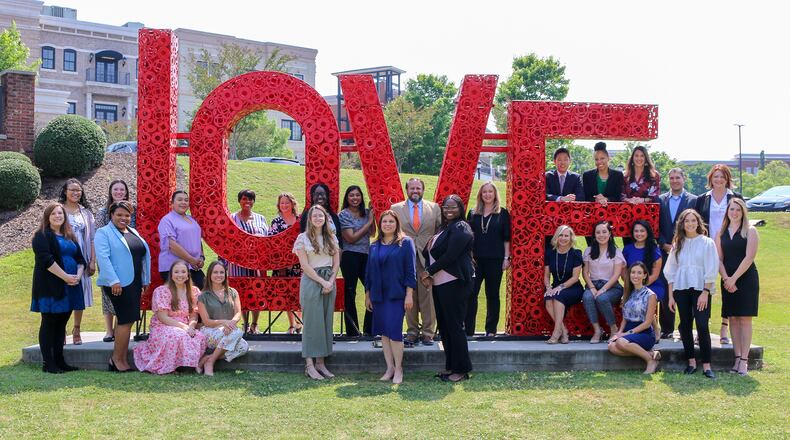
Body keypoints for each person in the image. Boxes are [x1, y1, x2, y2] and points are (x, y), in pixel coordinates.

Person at [421, 194, 474, 382]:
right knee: (445, 327)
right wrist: (431, 273)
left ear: (460, 208)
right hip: (441, 283)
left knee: (455, 326)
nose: (449, 210)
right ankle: (451, 366)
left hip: (455, 282)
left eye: (453, 207)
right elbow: (429, 252)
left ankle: (462, 370)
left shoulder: (462, 227)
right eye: (445, 207)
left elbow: (451, 255)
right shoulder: (444, 228)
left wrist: (428, 271)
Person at [95, 201, 151, 372]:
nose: (123, 218)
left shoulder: (132, 231)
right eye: (119, 214)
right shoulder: (103, 233)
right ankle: (116, 359)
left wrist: (145, 279)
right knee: (126, 320)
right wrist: (113, 281)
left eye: (127, 215)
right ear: (111, 215)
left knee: (128, 320)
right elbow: (103, 259)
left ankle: (120, 358)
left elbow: (142, 256)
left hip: (134, 283)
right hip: (118, 284)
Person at [664, 209, 719, 379]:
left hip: (700, 289)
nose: (690, 224)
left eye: (693, 220)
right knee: (685, 325)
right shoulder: (678, 243)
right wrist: (671, 296)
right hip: (681, 289)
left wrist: (705, 292)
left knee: (702, 325)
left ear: (698, 222)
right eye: (686, 221)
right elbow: (671, 271)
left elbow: (711, 268)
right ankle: (691, 362)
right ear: (682, 224)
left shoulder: (707, 243)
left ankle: (707, 365)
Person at [31, 203, 85, 373]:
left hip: (71, 285)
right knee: (49, 323)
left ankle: (60, 361)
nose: (57, 216)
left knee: (62, 323)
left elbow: (80, 259)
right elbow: (46, 260)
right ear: (48, 217)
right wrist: (66, 277)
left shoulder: (69, 235)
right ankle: (48, 363)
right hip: (50, 286)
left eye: (60, 213)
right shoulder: (41, 236)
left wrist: (77, 274)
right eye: (53, 213)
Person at [365, 210, 416, 384]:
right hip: (378, 295)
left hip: (396, 295)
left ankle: (399, 368)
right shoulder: (374, 245)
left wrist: (409, 295)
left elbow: (411, 271)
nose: (387, 224)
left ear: (397, 224)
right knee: (384, 334)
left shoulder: (405, 243)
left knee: (394, 332)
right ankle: (389, 368)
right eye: (384, 221)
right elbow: (369, 274)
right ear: (380, 224)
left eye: (391, 221)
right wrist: (367, 295)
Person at [695, 164, 743, 345]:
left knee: (727, 287)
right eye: (715, 176)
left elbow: (743, 222)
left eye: (722, 176)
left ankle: (724, 327)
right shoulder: (702, 199)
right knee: (704, 289)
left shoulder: (735, 198)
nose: (719, 180)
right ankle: (702, 328)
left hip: (728, 248)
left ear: (727, 179)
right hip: (707, 248)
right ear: (711, 179)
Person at [391, 178, 442, 347]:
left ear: (423, 190)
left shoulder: (434, 208)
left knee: (428, 297)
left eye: (418, 188)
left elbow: (439, 232)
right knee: (409, 296)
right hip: (405, 259)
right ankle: (412, 332)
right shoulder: (396, 209)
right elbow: (392, 231)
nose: (415, 191)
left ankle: (428, 333)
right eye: (412, 188)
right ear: (407, 189)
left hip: (427, 258)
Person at [133, 260, 207, 375]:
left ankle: (186, 365)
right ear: (171, 275)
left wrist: (191, 326)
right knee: (175, 335)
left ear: (188, 275)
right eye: (176, 272)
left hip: (185, 326)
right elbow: (163, 317)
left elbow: (193, 315)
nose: (180, 275)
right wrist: (184, 327)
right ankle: (167, 367)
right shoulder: (162, 291)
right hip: (163, 326)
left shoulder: (193, 291)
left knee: (199, 336)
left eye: (183, 272)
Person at [293, 205, 341, 380]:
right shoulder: (302, 238)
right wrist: (322, 281)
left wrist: (330, 281)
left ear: (325, 218)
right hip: (312, 281)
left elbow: (336, 262)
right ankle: (309, 365)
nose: (318, 218)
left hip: (329, 280)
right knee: (312, 323)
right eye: (315, 216)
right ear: (310, 219)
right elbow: (305, 266)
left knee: (325, 321)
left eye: (321, 215)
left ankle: (321, 363)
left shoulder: (331, 238)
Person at [715, 198, 759, 376]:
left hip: (746, 279)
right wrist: (726, 278)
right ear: (727, 211)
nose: (734, 213)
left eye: (738, 210)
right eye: (731, 209)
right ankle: (736, 357)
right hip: (727, 279)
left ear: (743, 212)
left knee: (745, 319)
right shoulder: (721, 232)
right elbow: (718, 259)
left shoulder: (750, 231)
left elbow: (749, 258)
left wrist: (734, 279)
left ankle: (744, 361)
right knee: (732, 318)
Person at [466, 182, 511, 337]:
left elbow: (506, 239)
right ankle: (469, 330)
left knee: (492, 294)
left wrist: (506, 258)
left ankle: (490, 330)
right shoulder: (473, 213)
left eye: (490, 191)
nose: (487, 194)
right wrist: (469, 257)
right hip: (475, 261)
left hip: (495, 260)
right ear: (480, 194)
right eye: (484, 192)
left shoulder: (503, 213)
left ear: (495, 194)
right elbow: (468, 238)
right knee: (471, 293)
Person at [657, 168, 697, 339]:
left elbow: (698, 225)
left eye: (677, 177)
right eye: (671, 178)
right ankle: (667, 328)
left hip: (687, 252)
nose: (674, 181)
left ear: (684, 178)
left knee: (686, 289)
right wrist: (665, 245)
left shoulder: (693, 200)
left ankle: (685, 328)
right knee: (667, 290)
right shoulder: (660, 200)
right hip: (665, 251)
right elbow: (655, 225)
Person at [95, 179, 136, 343]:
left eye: (122, 190)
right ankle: (109, 330)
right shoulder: (103, 212)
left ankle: (121, 328)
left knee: (125, 294)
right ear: (110, 192)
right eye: (116, 189)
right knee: (108, 295)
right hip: (107, 258)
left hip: (127, 258)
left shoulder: (132, 211)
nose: (119, 192)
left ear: (126, 192)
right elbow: (97, 236)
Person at [222, 189, 268, 334]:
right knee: (241, 293)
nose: (247, 202)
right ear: (239, 201)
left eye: (250, 199)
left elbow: (267, 240)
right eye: (244, 199)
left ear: (254, 201)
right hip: (237, 263)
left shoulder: (261, 218)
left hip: (257, 263)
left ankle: (254, 324)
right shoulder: (232, 218)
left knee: (256, 292)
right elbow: (226, 241)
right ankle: (245, 323)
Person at [58, 178, 95, 345]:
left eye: (78, 190)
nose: (75, 193)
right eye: (72, 190)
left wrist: (92, 261)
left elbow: (93, 239)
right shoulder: (59, 211)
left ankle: (77, 329)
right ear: (65, 191)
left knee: (80, 294)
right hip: (64, 258)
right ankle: (62, 329)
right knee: (63, 293)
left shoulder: (85, 213)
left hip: (83, 258)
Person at [197, 261, 249, 376]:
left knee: (243, 347)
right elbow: (206, 322)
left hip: (229, 330)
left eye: (221, 272)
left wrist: (230, 324)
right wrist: (225, 323)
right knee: (237, 332)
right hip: (210, 331)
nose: (218, 275)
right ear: (209, 275)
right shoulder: (202, 296)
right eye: (215, 272)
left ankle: (209, 358)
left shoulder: (233, 292)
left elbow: (238, 313)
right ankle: (210, 363)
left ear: (225, 275)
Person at [607, 262, 661, 374]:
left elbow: (647, 323)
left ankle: (650, 361)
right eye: (633, 272)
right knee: (612, 346)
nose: (635, 275)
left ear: (645, 275)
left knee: (621, 342)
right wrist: (619, 332)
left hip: (644, 333)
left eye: (639, 273)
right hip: (629, 332)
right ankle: (650, 354)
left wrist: (625, 334)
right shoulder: (628, 292)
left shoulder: (650, 295)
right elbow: (625, 318)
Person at [338, 185, 375, 337]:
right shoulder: (343, 215)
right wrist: (369, 222)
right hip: (350, 256)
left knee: (372, 288)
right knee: (350, 292)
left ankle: (369, 329)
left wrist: (372, 216)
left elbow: (372, 233)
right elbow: (350, 238)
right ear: (347, 198)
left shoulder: (366, 213)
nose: (355, 198)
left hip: (366, 255)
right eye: (351, 195)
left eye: (357, 195)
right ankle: (352, 331)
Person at [581, 221, 625, 343]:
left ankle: (613, 329)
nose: (601, 235)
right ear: (594, 235)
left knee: (602, 298)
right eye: (598, 232)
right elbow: (585, 273)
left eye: (604, 232)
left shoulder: (616, 252)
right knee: (587, 297)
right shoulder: (589, 251)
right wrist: (592, 288)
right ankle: (597, 330)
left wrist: (603, 289)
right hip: (593, 285)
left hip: (612, 287)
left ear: (610, 234)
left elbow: (616, 275)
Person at [622, 220, 666, 343]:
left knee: (645, 298)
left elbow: (655, 274)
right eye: (636, 231)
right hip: (632, 285)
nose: (639, 234)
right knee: (635, 298)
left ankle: (655, 330)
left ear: (647, 232)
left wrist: (640, 288)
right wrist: (630, 285)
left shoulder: (654, 250)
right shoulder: (627, 249)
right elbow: (624, 271)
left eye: (642, 231)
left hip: (652, 285)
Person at [269, 192, 303, 334]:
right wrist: (281, 264)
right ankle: (291, 324)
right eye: (281, 203)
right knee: (286, 294)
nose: (284, 205)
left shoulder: (300, 221)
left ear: (292, 204)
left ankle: (300, 323)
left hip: (300, 263)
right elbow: (272, 244)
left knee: (300, 293)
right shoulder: (276, 222)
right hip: (281, 265)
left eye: (286, 203)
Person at [544, 225, 584, 344]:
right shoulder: (550, 253)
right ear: (556, 237)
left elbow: (575, 278)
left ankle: (556, 333)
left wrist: (559, 288)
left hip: (573, 288)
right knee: (548, 298)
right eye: (561, 235)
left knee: (557, 297)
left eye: (566, 235)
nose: (563, 238)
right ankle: (564, 330)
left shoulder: (576, 253)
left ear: (571, 238)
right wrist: (548, 288)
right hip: (555, 287)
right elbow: (546, 275)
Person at [158, 190, 206, 289]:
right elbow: (171, 245)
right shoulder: (167, 220)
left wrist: (201, 257)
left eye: (186, 200)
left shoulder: (192, 219)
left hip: (193, 267)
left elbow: (198, 239)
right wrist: (191, 260)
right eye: (179, 200)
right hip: (174, 269)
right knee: (182, 300)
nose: (183, 202)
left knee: (203, 294)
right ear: (172, 203)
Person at [300, 182, 342, 246]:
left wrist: (339, 253)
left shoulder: (333, 216)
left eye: (322, 194)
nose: (320, 197)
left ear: (327, 196)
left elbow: (339, 237)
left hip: (332, 253)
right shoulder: (306, 215)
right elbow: (303, 237)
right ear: (313, 197)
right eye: (316, 194)